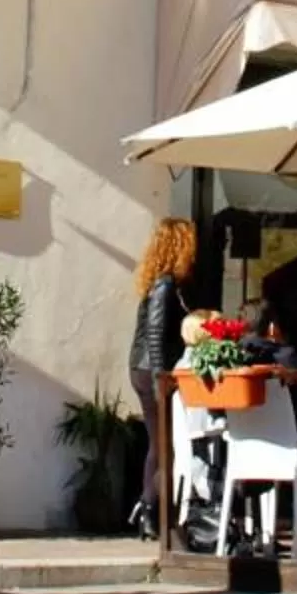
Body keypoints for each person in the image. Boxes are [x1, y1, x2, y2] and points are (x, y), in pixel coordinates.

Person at [126, 219, 194, 532]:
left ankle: (149, 510)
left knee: (160, 443)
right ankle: (152, 511)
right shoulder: (165, 286)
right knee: (164, 444)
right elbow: (155, 334)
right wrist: (159, 381)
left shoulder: (160, 284)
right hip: (151, 370)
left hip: (142, 368)